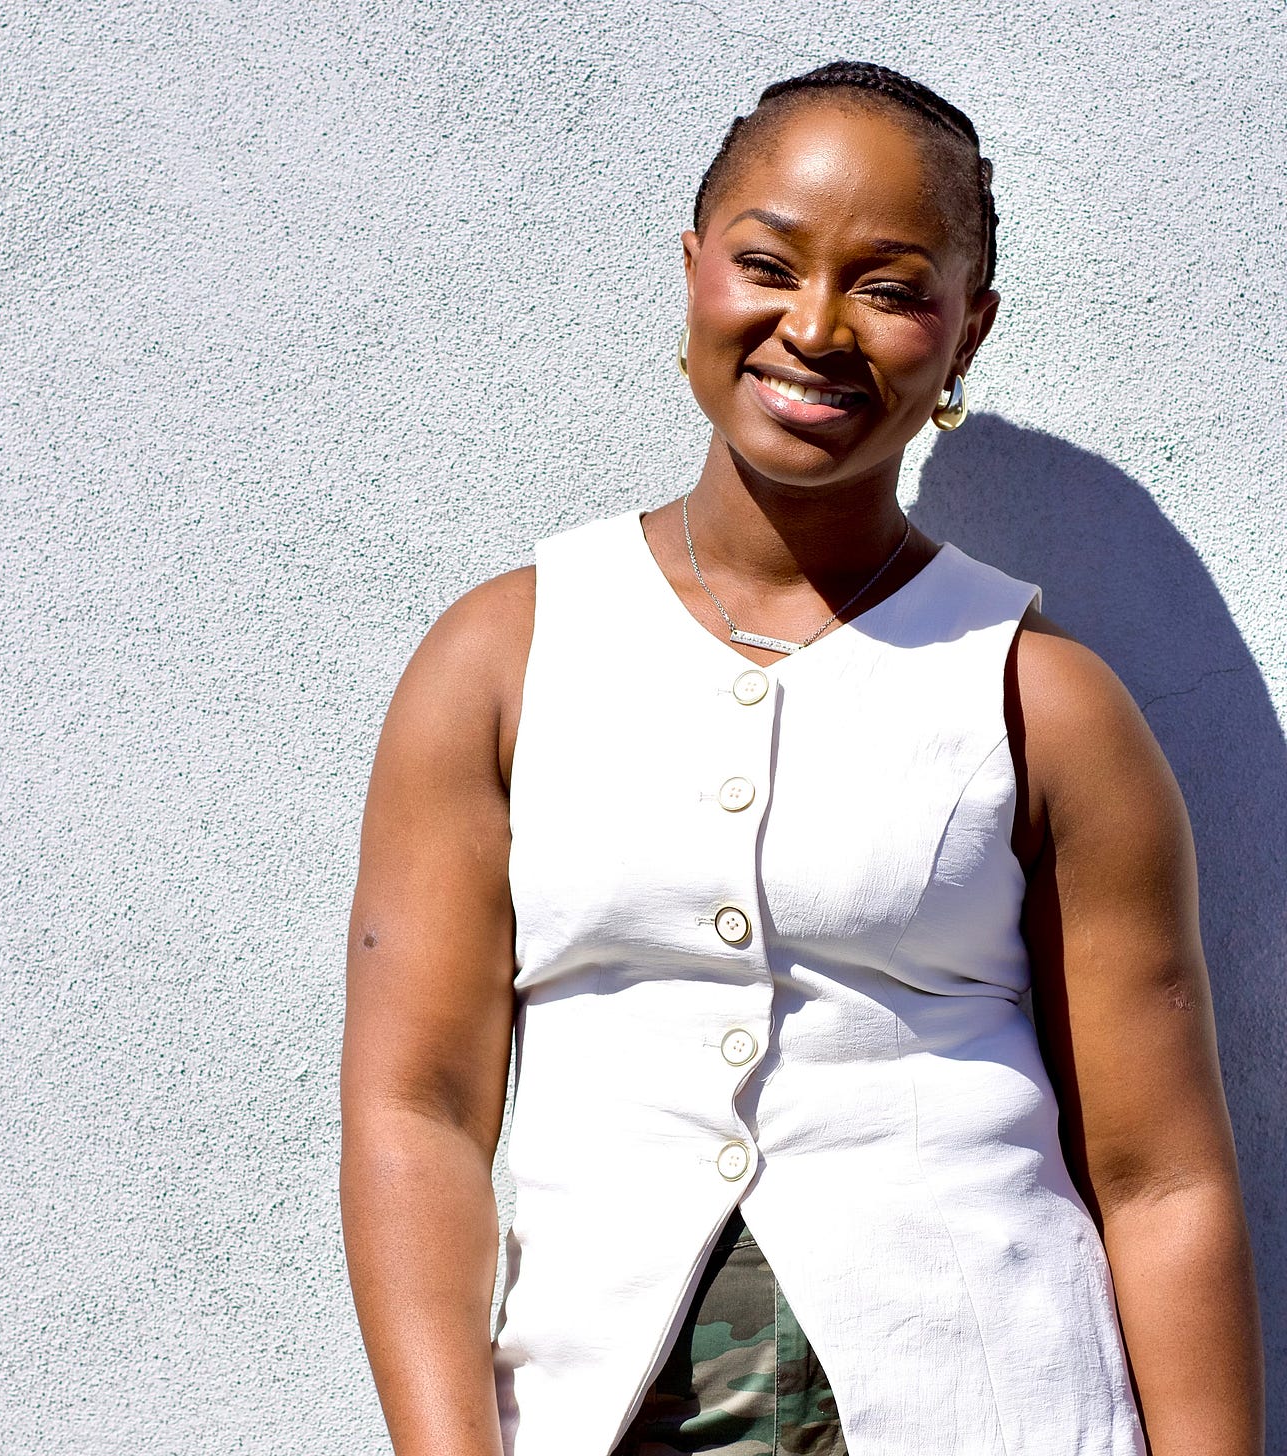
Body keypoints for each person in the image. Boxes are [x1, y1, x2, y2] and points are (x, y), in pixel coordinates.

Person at [339, 60, 1265, 1456]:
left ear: (969, 328)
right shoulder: (503, 657)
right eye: (767, 265)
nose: (817, 327)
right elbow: (419, 1110)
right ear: (693, 271)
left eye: (890, 288)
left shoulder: (1043, 700)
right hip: (600, 1414)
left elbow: (1160, 1180)